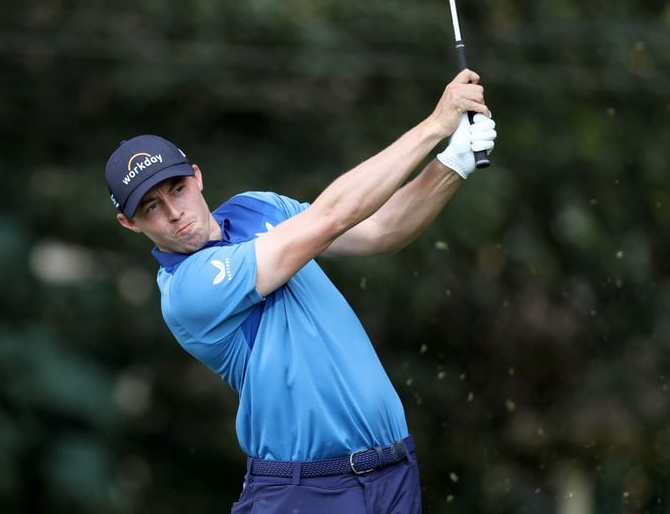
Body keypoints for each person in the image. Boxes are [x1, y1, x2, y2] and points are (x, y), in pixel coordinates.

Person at [105, 69, 496, 513]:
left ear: (197, 177)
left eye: (177, 189)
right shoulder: (187, 289)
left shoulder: (260, 207)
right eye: (152, 207)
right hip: (309, 492)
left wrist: (453, 162)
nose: (175, 213)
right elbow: (330, 218)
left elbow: (381, 230)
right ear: (129, 223)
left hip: (394, 473)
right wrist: (434, 127)